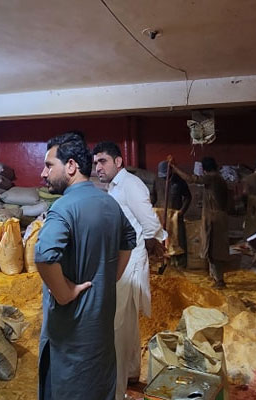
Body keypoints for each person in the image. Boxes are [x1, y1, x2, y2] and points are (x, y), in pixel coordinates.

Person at [35, 132, 136, 400]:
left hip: (71, 329)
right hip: (100, 326)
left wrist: (64, 293)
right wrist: (111, 276)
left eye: (48, 165)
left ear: (71, 166)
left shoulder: (63, 208)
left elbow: (44, 254)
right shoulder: (109, 203)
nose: (43, 174)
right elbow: (130, 239)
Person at [92, 141, 166, 400]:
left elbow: (149, 223)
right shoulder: (114, 187)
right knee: (128, 324)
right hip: (123, 258)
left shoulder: (130, 185)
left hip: (128, 262)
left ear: (118, 162)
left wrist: (145, 245)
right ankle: (132, 372)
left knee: (117, 324)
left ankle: (116, 388)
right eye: (95, 163)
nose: (98, 167)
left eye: (103, 161)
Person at [170, 157, 230, 288]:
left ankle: (219, 280)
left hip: (215, 219)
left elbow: (192, 179)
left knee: (215, 250)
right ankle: (216, 278)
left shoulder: (212, 177)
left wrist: (175, 169)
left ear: (204, 169)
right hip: (218, 217)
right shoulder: (219, 179)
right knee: (213, 249)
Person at [151, 160, 192, 267]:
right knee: (160, 240)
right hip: (160, 215)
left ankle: (180, 265)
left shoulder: (179, 181)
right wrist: (150, 209)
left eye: (166, 176)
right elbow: (153, 196)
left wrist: (182, 211)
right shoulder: (157, 180)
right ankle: (161, 263)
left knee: (177, 240)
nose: (164, 178)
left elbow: (188, 197)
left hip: (174, 216)